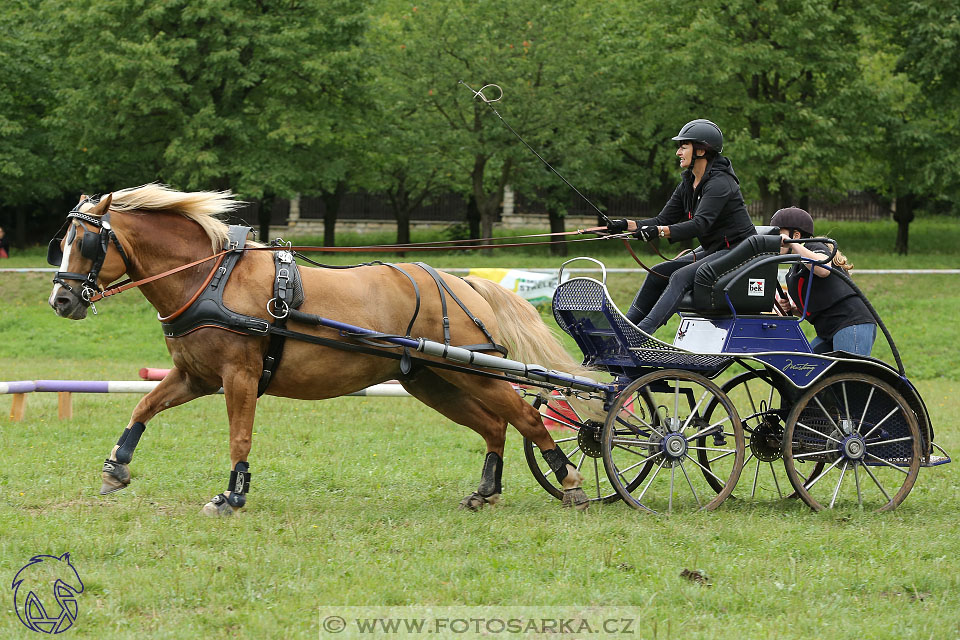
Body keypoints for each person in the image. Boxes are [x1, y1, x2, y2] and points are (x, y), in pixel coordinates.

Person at [606, 119, 756, 334]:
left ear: (702, 151)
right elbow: (662, 220)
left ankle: (639, 335)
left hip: (740, 249)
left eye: (683, 146)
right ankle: (621, 329)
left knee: (681, 276)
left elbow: (700, 224)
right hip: (716, 249)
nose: (678, 152)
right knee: (659, 272)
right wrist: (627, 225)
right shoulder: (688, 182)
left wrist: (658, 232)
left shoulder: (721, 182)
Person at [771, 206, 876, 356]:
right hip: (828, 329)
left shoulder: (814, 246)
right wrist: (793, 309)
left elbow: (823, 269)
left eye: (779, 234)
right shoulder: (793, 270)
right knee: (806, 369)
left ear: (796, 235)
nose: (775, 240)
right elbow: (818, 304)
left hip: (850, 322)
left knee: (847, 375)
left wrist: (793, 244)